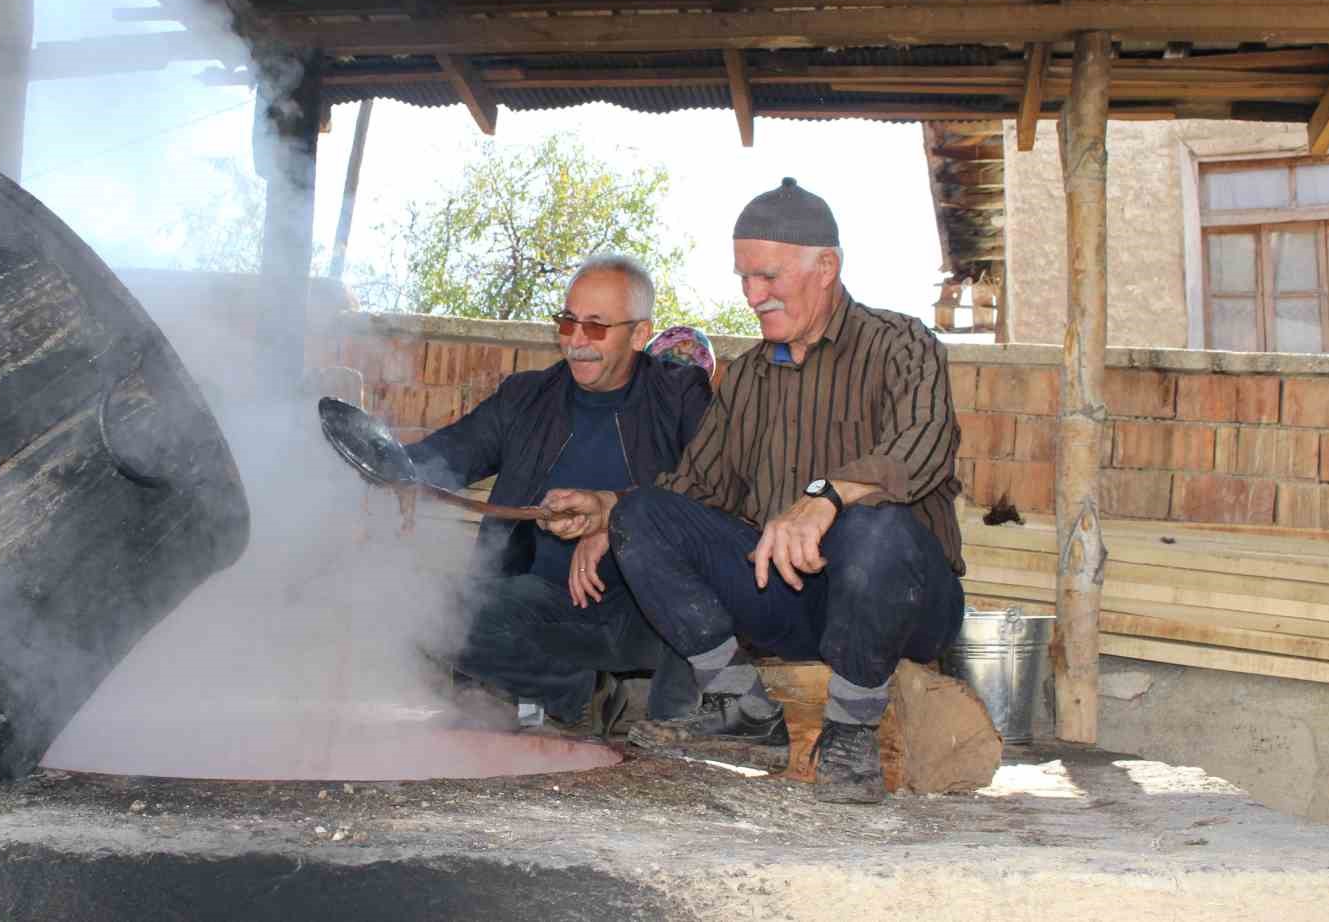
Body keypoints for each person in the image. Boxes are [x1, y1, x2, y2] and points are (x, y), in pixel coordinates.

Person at [541, 179, 965, 802]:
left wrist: (825, 498)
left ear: (826, 267)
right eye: (743, 279)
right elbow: (693, 488)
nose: (751, 295)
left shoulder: (902, 342)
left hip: (904, 604)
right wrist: (608, 512)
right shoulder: (747, 378)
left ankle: (851, 733)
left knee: (876, 529)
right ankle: (742, 705)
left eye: (766, 277)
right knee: (644, 514)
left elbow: (925, 446)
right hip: (793, 605)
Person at [408, 254, 712, 735]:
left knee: (710, 596)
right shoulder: (526, 397)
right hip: (544, 606)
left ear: (638, 334)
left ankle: (656, 711)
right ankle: (581, 695)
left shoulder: (680, 397)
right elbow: (445, 455)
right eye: (568, 321)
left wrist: (615, 515)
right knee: (423, 610)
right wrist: (379, 467)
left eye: (595, 327)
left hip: (649, 612)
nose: (575, 340)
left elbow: (716, 487)